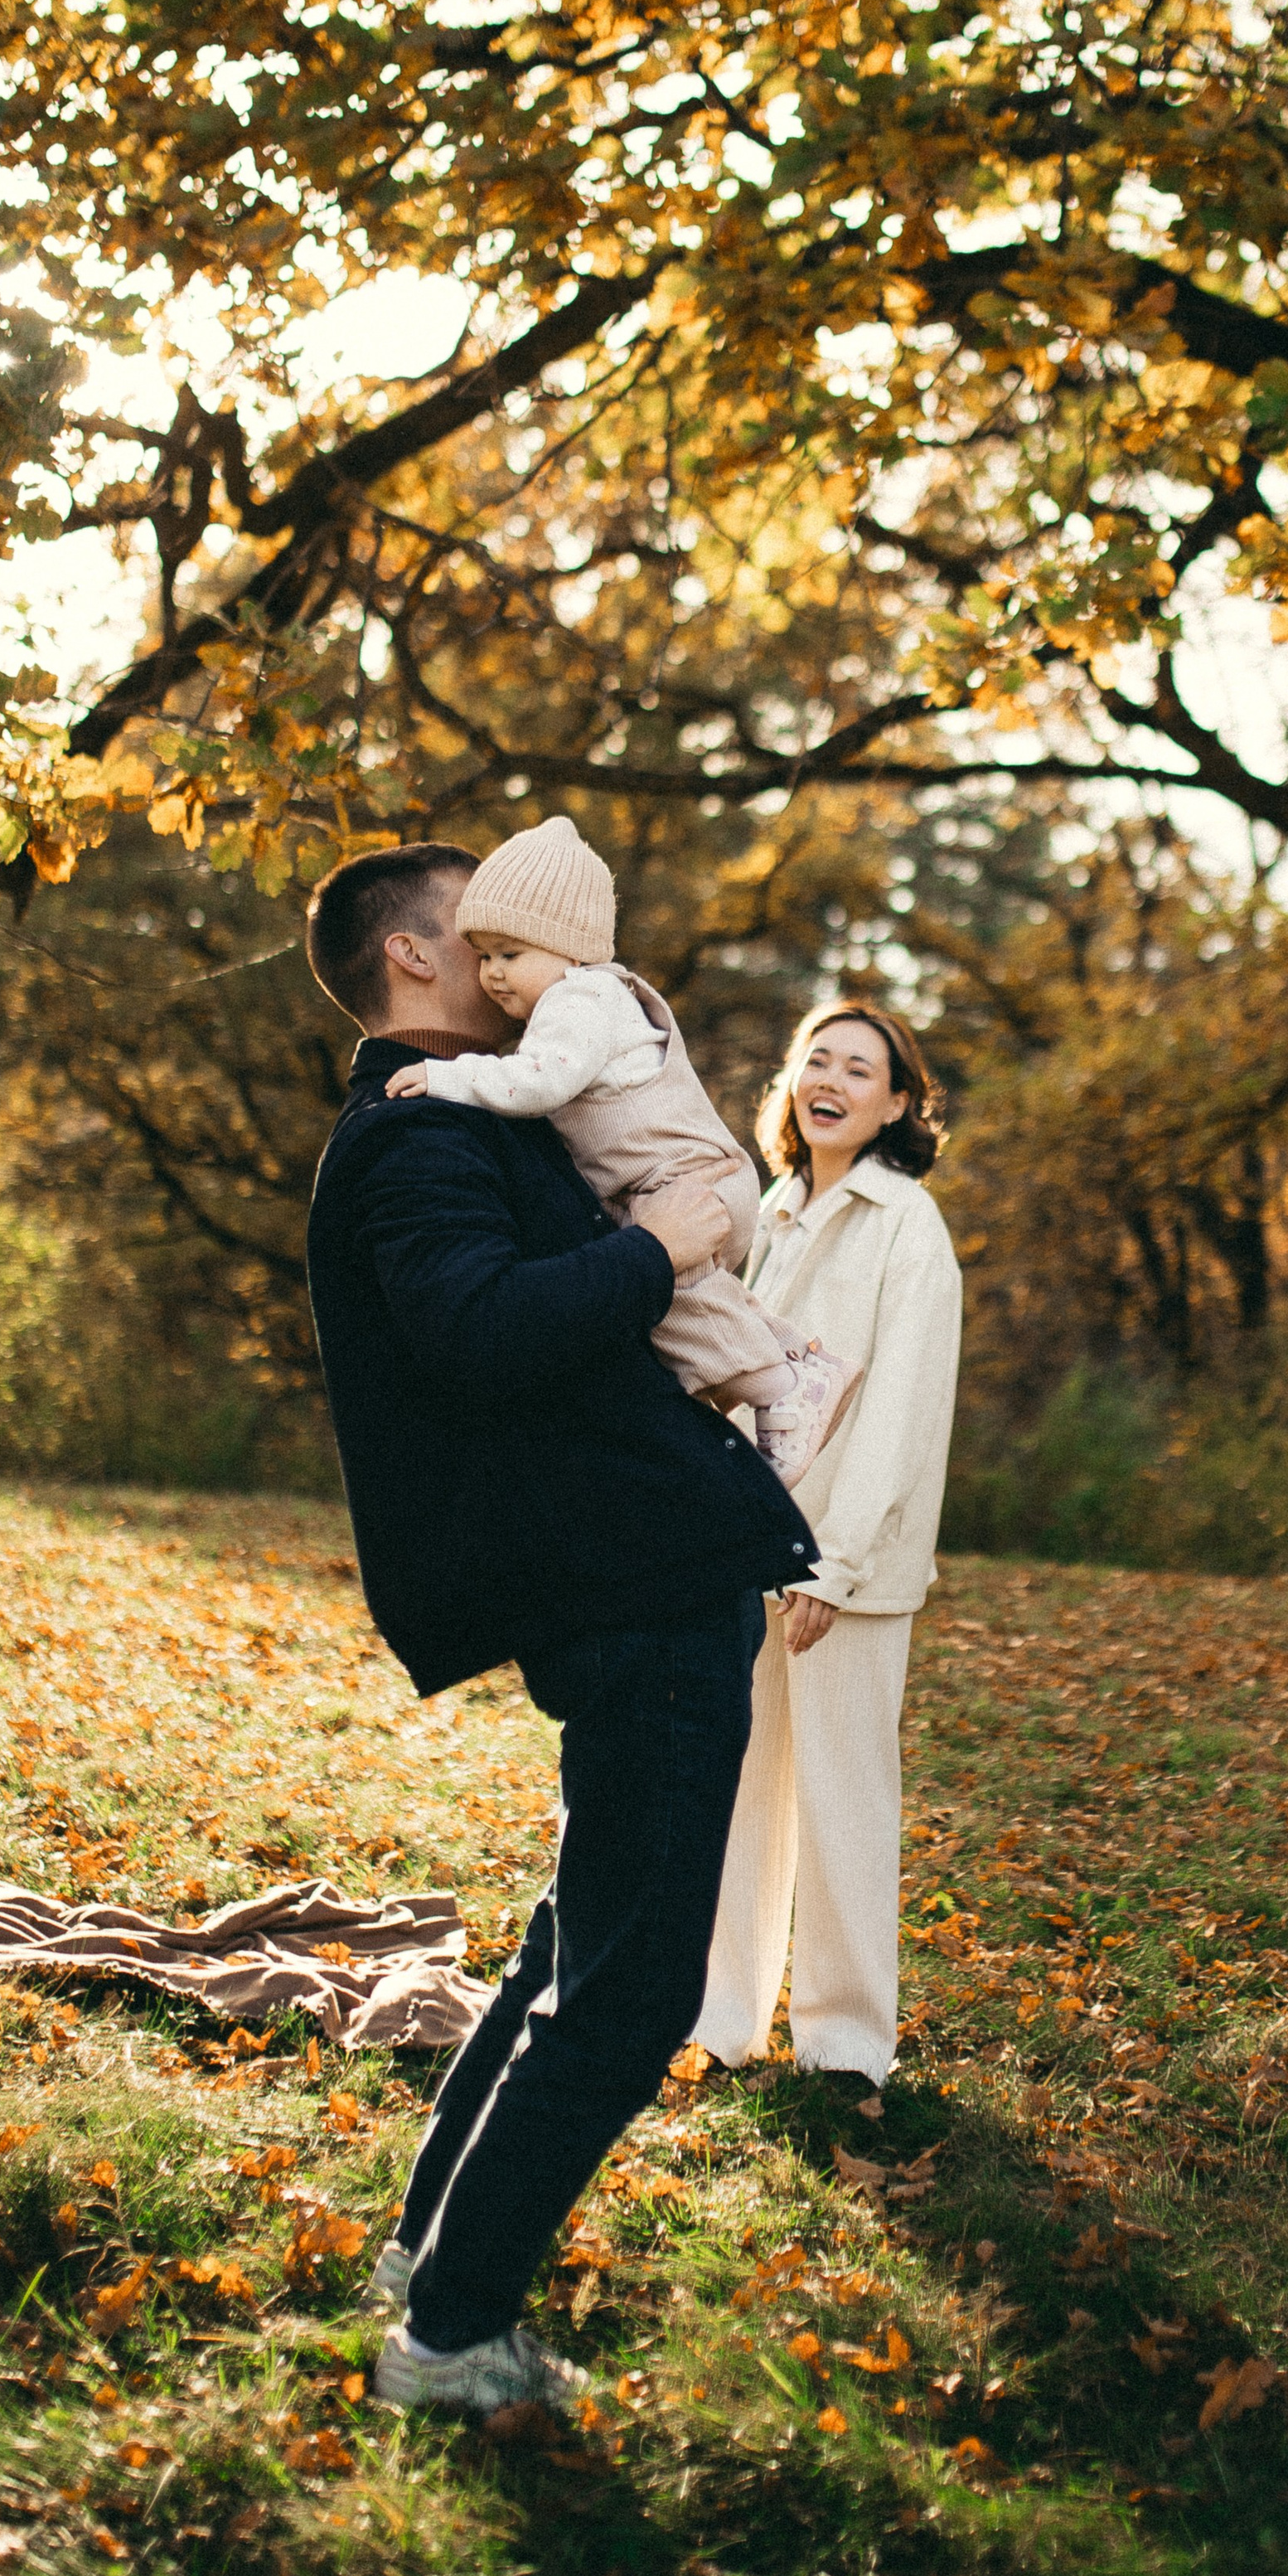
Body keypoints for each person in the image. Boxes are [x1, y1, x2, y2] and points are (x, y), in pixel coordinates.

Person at [301, 841, 821, 2415]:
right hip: (633, 1586)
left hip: (647, 1570)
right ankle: (451, 2340)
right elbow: (479, 1332)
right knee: (636, 1985)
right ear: (413, 957)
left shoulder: (497, 1114)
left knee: (574, 1942)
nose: (516, 957)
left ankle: (427, 2259)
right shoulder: (416, 1140)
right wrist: (670, 1245)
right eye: (480, 932)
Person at [385, 816, 858, 1485]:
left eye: (509, 954)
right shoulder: (584, 1000)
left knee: (672, 1287)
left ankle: (779, 1393)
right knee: (687, 1297)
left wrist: (448, 1077)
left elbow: (540, 1083)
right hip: (685, 1179)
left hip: (682, 1182)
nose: (491, 974)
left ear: (570, 948)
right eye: (483, 955)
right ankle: (793, 1355)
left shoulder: (579, 1001)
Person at [692, 1002, 963, 2093]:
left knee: (845, 1802)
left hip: (848, 1570)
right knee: (740, 1795)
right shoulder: (770, 1212)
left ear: (897, 1104)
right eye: (818, 1061)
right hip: (745, 1548)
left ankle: (846, 2048)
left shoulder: (907, 1225)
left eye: (860, 1069)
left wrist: (833, 1568)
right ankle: (722, 2021)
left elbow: (900, 1414)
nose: (832, 1081)